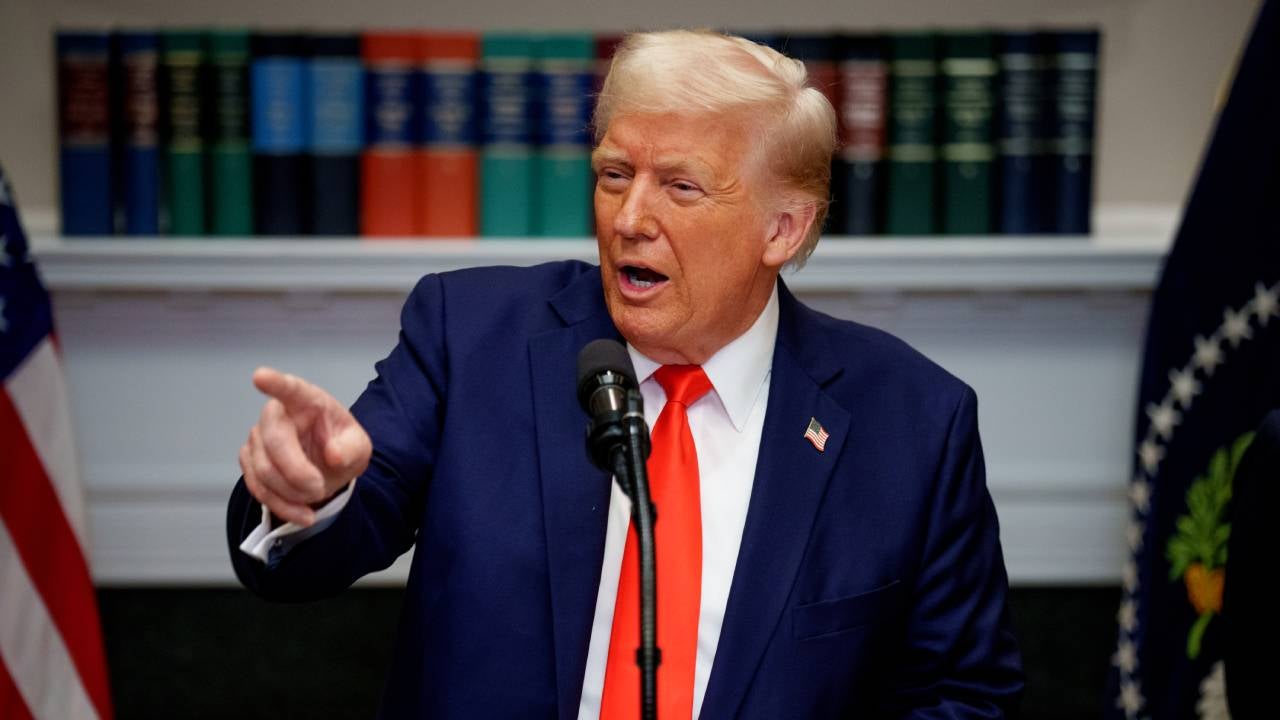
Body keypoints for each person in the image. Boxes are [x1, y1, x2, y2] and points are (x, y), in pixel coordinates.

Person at [227, 29, 1023, 718]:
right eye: (614, 175)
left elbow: (966, 693)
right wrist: (311, 493)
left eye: (681, 186)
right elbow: (323, 542)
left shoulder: (912, 422)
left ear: (783, 228)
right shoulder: (472, 337)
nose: (630, 219)